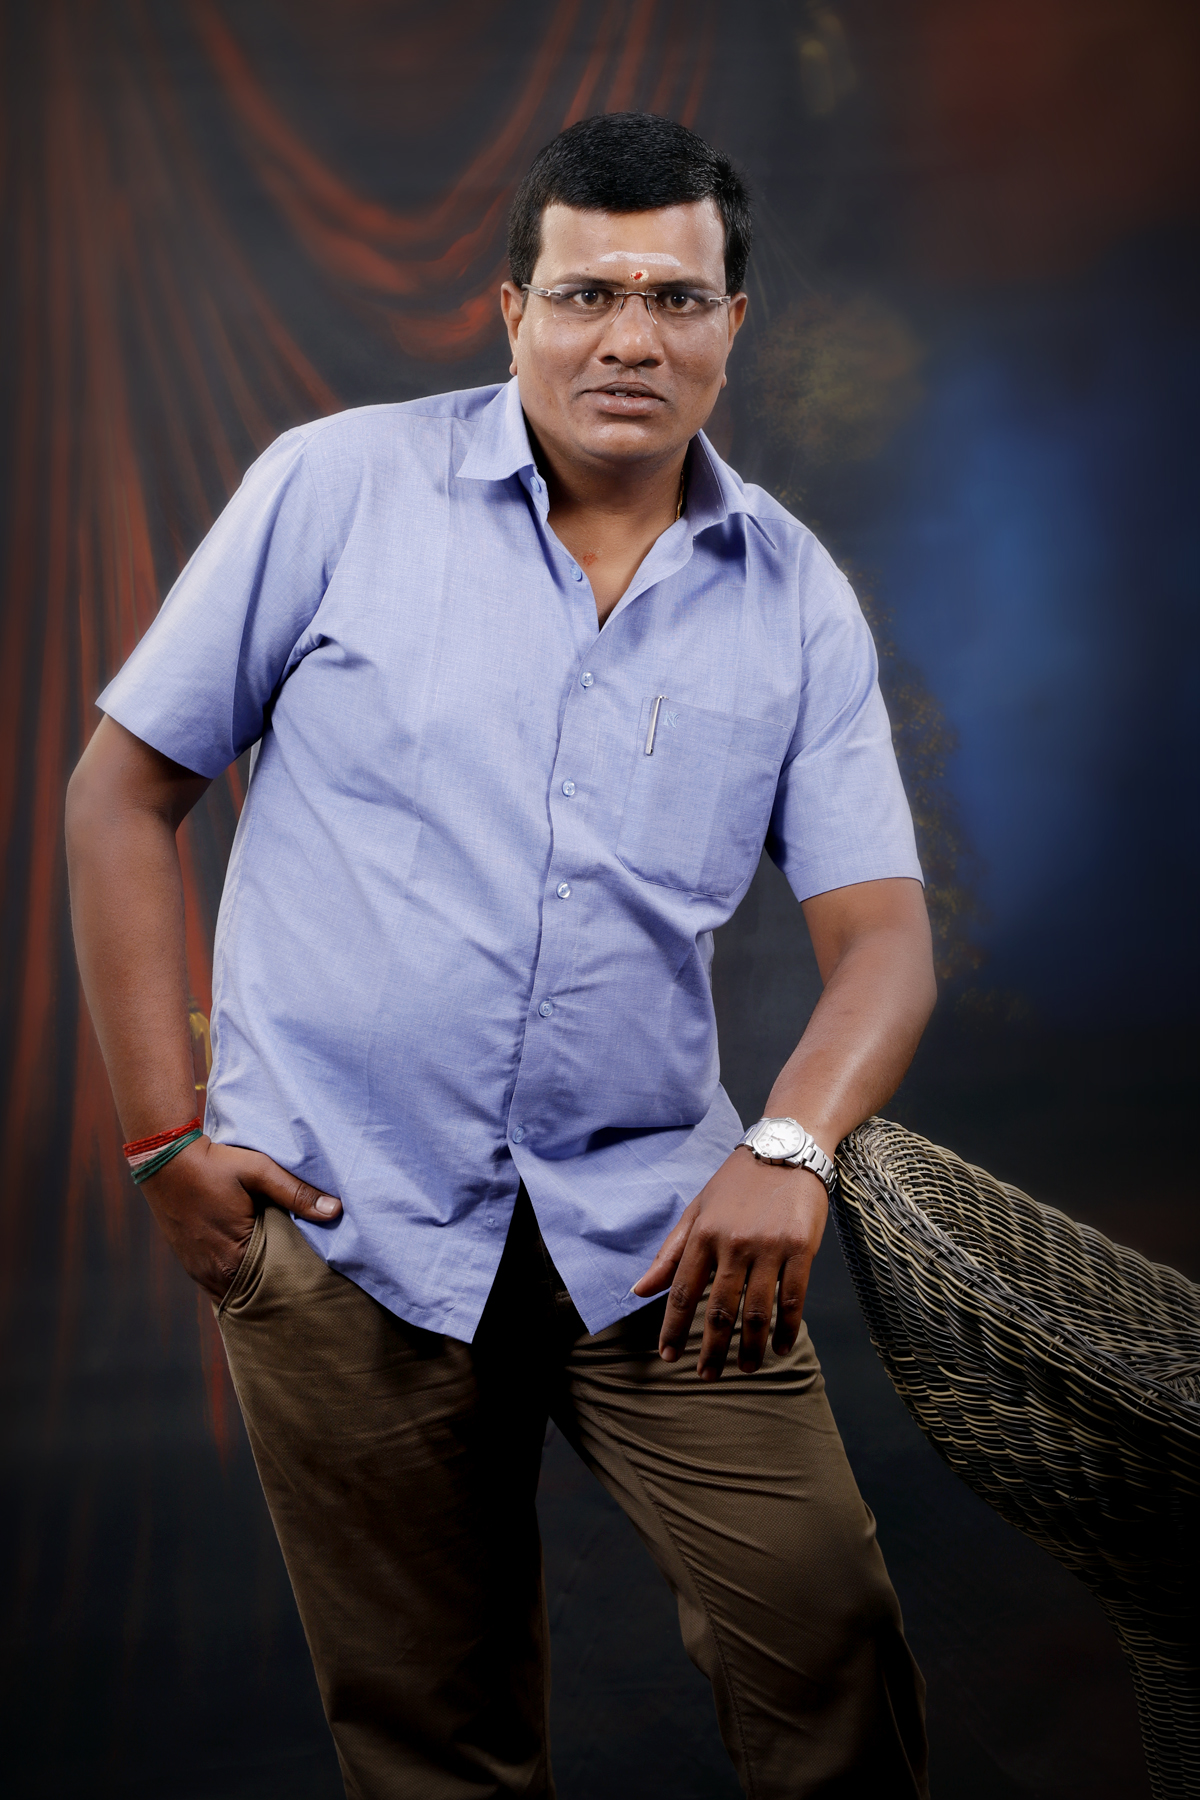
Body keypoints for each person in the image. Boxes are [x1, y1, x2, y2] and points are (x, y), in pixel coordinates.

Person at [66, 113, 936, 1798]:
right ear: (513, 311)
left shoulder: (792, 593)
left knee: (825, 1631)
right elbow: (121, 792)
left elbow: (885, 935)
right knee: (431, 1731)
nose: (630, 338)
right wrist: (166, 1140)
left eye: (673, 298)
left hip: (661, 1233)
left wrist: (790, 1146)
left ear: (733, 324)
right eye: (587, 293)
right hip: (345, 1222)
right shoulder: (335, 487)